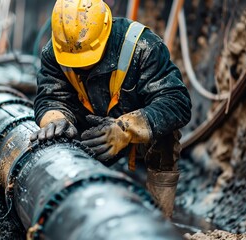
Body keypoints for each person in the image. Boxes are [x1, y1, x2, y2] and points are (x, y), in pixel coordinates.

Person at [30, 0, 192, 219]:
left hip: (132, 129)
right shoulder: (57, 51)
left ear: (105, 31)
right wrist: (55, 119)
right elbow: (50, 97)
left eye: (86, 58)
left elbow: (176, 101)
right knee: (56, 138)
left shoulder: (142, 47)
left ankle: (160, 221)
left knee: (166, 136)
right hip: (88, 132)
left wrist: (126, 129)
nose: (80, 66)